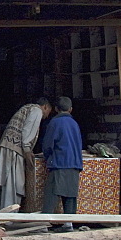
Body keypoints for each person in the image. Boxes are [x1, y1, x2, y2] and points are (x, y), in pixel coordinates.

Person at [0, 97, 52, 209]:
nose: (48, 115)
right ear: (45, 107)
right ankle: (9, 217)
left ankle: (7, 216)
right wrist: (27, 150)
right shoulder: (37, 110)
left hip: (9, 147)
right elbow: (27, 131)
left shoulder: (27, 108)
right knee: (13, 186)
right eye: (48, 111)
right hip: (14, 149)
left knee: (10, 185)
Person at [41, 96, 83, 231]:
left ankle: (43, 224)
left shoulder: (55, 123)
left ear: (56, 109)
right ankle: (68, 224)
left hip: (59, 162)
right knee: (70, 195)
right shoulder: (75, 124)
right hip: (75, 164)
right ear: (71, 109)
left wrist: (48, 157)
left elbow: (48, 145)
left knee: (51, 194)